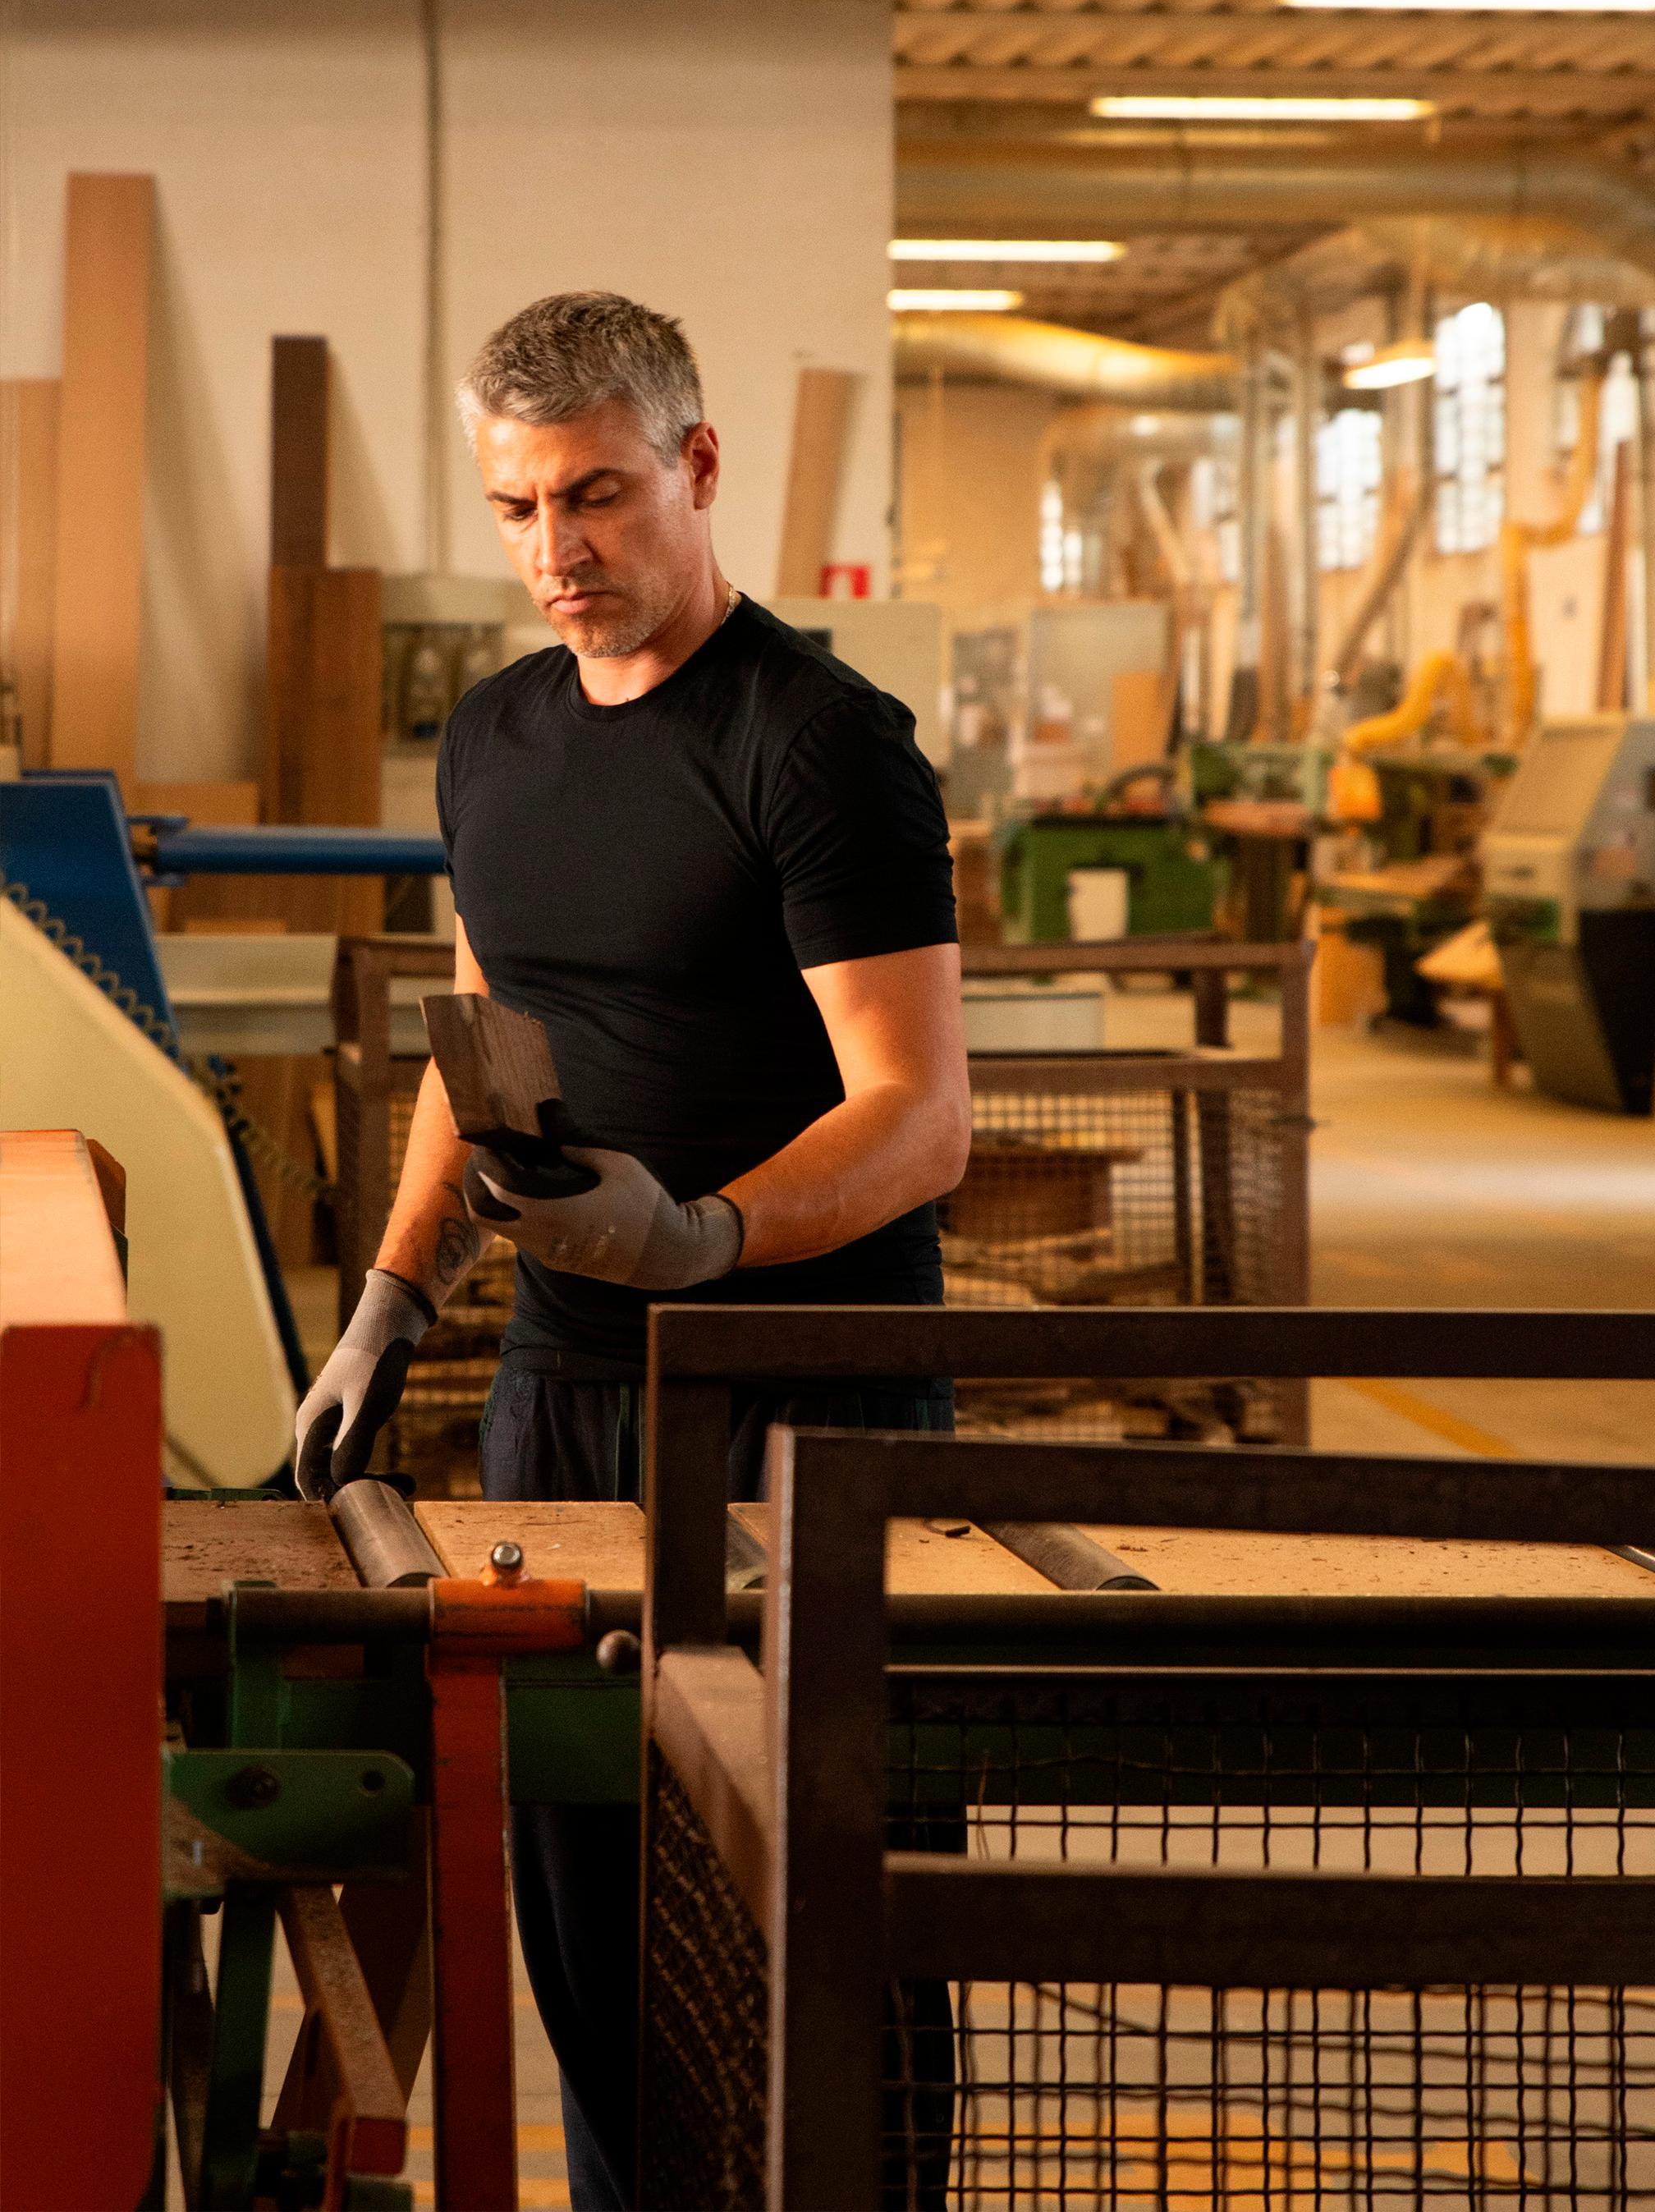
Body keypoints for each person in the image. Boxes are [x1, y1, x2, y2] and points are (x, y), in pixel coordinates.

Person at [295, 290, 970, 2211]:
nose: (555, 551)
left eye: (594, 495)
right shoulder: (496, 736)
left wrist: (709, 1235)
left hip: (811, 1418)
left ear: (697, 466)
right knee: (596, 1932)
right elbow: (489, 1036)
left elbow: (921, 1110)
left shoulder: (818, 742)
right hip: (565, 1405)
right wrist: (393, 1298)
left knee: (828, 1935)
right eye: (517, 508)